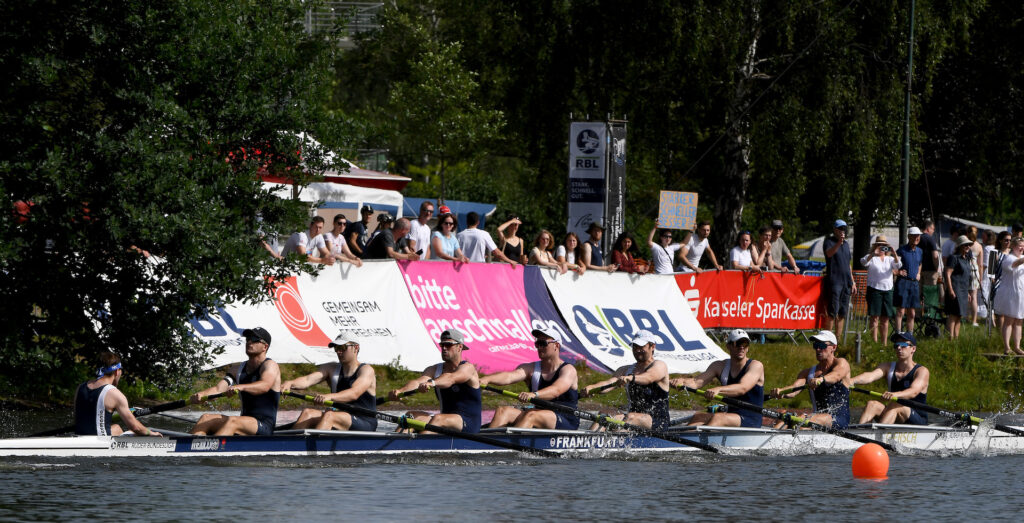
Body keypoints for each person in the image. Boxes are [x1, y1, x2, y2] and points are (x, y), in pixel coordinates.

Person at [480, 326, 580, 430]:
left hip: (566, 418)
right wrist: (487, 379)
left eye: (543, 343)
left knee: (530, 415)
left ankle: (510, 444)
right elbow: (509, 377)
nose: (539, 347)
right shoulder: (531, 368)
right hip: (539, 414)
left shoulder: (568, 370)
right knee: (503, 411)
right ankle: (485, 445)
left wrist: (533, 395)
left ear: (556, 345)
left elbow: (556, 390)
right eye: (537, 343)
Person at [191, 327, 281, 436]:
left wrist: (240, 387)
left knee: (233, 421)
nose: (249, 342)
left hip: (264, 425)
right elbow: (218, 389)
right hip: (242, 422)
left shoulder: (270, 365)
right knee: (205, 418)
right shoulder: (236, 369)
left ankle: (210, 450)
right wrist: (202, 394)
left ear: (265, 347)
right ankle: (188, 448)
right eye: (248, 338)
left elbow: (264, 386)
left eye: (254, 339)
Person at [388, 329, 482, 433]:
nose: (444, 348)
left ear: (460, 347)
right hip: (445, 420)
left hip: (468, 423)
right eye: (442, 345)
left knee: (438, 419)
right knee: (411, 417)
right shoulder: (433, 369)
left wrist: (432, 383)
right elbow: (417, 382)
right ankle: (391, 446)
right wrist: (401, 391)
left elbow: (451, 378)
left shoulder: (468, 368)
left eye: (448, 345)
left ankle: (417, 447)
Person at [670, 329, 764, 428]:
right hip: (731, 415)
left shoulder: (756, 366)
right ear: (729, 346)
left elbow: (742, 388)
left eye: (745, 344)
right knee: (698, 416)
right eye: (738, 343)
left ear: (748, 347)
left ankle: (698, 440)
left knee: (718, 418)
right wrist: (680, 382)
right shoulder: (719, 366)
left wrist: (718, 389)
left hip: (751, 419)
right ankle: (682, 441)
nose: (741, 347)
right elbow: (696, 382)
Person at [281, 335, 377, 431]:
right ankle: (289, 445)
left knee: (329, 416)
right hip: (340, 416)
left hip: (365, 421)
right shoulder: (331, 368)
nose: (339, 352)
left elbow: (354, 393)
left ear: (355, 348)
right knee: (307, 413)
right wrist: (290, 383)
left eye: (343, 347)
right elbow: (307, 380)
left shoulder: (366, 370)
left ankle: (313, 444)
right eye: (336, 348)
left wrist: (329, 396)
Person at [582, 330, 670, 430]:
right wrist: (592, 388)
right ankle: (587, 442)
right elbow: (609, 383)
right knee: (604, 414)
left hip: (657, 422)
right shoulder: (626, 370)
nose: (637, 350)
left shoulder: (659, 365)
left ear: (652, 346)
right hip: (632, 417)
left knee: (631, 417)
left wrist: (631, 378)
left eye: (641, 346)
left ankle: (619, 442)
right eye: (635, 346)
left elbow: (649, 377)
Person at [770, 330, 851, 429]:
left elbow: (836, 375)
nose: (818, 349)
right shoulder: (808, 373)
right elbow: (795, 389)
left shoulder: (841, 363)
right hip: (816, 418)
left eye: (822, 345)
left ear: (833, 347)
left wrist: (821, 379)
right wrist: (781, 391)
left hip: (838, 420)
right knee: (784, 417)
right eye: (815, 345)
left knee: (802, 420)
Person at [850, 332, 930, 425]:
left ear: (913, 349)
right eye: (896, 345)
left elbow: (914, 392)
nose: (899, 348)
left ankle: (878, 436)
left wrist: (895, 394)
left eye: (903, 344)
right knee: (872, 405)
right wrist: (852, 380)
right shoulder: (887, 367)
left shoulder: (921, 371)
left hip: (917, 419)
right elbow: (870, 376)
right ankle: (860, 433)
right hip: (894, 413)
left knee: (895, 403)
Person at [74, 352, 160, 436]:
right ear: (117, 372)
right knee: (133, 432)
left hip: (78, 439)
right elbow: (135, 427)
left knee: (117, 428)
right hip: (101, 444)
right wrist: (151, 433)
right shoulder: (115, 394)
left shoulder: (80, 387)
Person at [860, 235, 902, 343]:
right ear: (876, 246)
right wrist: (874, 253)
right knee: (874, 317)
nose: (882, 248)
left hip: (887, 290)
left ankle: (884, 343)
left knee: (885, 318)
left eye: (884, 246)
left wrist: (894, 252)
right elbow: (863, 262)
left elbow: (898, 265)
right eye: (880, 245)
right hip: (874, 290)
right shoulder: (872, 257)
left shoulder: (890, 259)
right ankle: (874, 342)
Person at [822, 220, 856, 334]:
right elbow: (829, 254)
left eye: (844, 229)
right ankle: (827, 339)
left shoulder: (846, 244)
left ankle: (838, 340)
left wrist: (853, 282)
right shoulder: (829, 241)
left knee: (842, 312)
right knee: (832, 311)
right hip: (835, 282)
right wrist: (838, 243)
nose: (842, 231)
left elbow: (848, 264)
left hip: (846, 282)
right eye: (840, 228)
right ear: (835, 230)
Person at [992, 237, 1024, 355]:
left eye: (1023, 246)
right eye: (1019, 246)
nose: (1022, 248)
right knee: (1009, 320)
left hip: (1021, 293)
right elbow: (1015, 264)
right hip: (1010, 293)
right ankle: (1007, 347)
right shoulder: (1008, 258)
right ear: (1013, 247)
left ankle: (1017, 346)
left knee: (1019, 320)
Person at [944, 235, 974, 340]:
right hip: (955, 288)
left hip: (964, 289)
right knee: (953, 314)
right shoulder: (954, 258)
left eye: (969, 245)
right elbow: (947, 273)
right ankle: (950, 338)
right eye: (965, 245)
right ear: (960, 246)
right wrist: (950, 289)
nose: (968, 246)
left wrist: (968, 292)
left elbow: (966, 276)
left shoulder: (966, 259)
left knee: (960, 315)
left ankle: (956, 339)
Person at [894, 227, 923, 333]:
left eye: (918, 236)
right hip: (903, 283)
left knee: (912, 313)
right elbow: (891, 264)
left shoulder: (920, 251)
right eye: (914, 236)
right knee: (900, 311)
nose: (917, 238)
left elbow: (920, 263)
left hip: (914, 284)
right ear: (909, 237)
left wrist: (919, 273)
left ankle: (909, 336)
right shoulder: (901, 250)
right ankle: (898, 334)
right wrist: (898, 272)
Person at [918, 219, 942, 301]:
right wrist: (936, 269)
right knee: (930, 296)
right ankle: (929, 313)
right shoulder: (930, 239)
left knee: (920, 296)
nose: (933, 231)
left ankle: (919, 313)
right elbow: (935, 256)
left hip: (919, 271)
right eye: (933, 229)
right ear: (928, 229)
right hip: (930, 272)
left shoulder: (917, 239)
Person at [966, 226, 985, 326]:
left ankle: (964, 317)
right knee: (974, 297)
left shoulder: (964, 243)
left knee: (964, 295)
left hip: (965, 270)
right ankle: (974, 321)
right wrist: (981, 279)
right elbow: (980, 265)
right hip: (974, 271)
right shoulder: (979, 246)